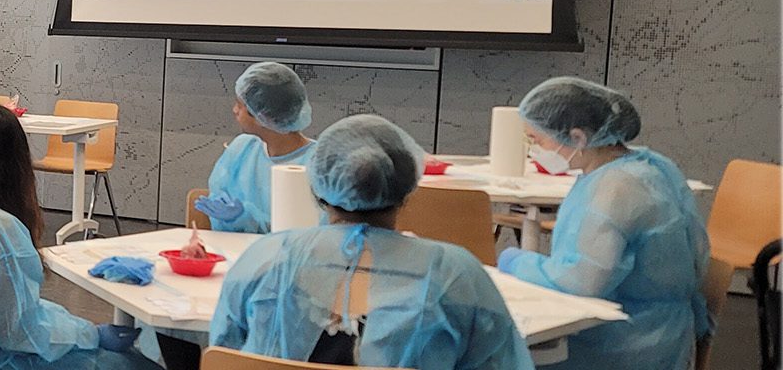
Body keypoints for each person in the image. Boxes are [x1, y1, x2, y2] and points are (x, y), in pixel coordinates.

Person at [211, 114, 533, 370]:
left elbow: (224, 351)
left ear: (318, 187)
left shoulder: (268, 257)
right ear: (408, 190)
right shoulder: (455, 273)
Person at [0, 103, 151, 369]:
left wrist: (80, 329)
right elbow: (20, 332)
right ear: (13, 163)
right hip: (5, 360)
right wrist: (91, 334)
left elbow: (17, 310)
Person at [496, 77, 711, 370]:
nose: (534, 149)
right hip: (654, 326)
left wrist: (515, 261)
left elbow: (583, 283)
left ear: (578, 138)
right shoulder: (645, 165)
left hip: (630, 342)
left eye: (537, 140)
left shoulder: (615, 189)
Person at [193, 62, 317, 234]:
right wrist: (232, 218)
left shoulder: (318, 165)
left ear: (263, 116)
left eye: (240, 105)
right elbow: (220, 216)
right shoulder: (242, 149)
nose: (234, 110)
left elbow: (311, 235)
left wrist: (247, 218)